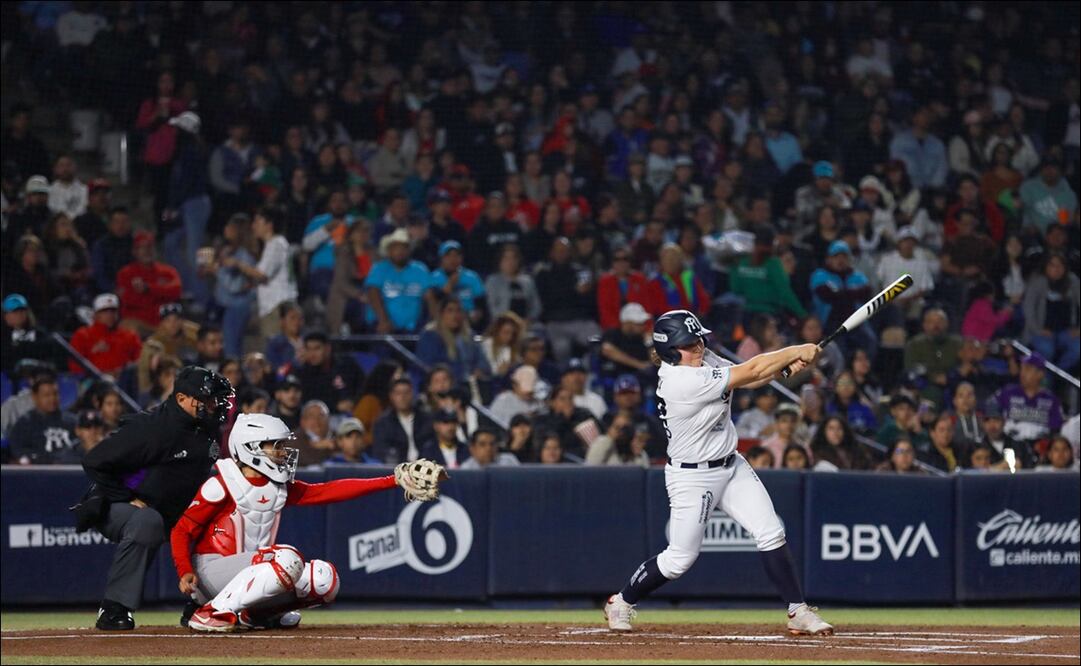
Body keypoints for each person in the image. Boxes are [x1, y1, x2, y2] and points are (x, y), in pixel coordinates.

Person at [603, 310, 833, 636]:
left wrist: (784, 368)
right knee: (678, 560)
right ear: (670, 351)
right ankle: (621, 601)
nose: (698, 347)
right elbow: (752, 368)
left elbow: (750, 377)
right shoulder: (680, 381)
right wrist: (796, 350)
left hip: (731, 463)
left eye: (698, 339)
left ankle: (798, 610)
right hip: (692, 477)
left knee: (771, 531)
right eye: (688, 344)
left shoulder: (702, 359)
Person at [173, 413, 445, 632]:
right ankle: (210, 613)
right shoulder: (221, 484)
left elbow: (330, 490)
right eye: (275, 446)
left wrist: (392, 480)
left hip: (250, 573)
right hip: (210, 573)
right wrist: (184, 569)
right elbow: (182, 530)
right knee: (287, 558)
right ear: (251, 448)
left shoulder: (278, 486)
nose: (282, 452)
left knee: (324, 579)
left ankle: (254, 614)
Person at [71, 366, 233, 630]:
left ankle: (203, 603)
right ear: (181, 399)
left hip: (171, 509)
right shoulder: (153, 427)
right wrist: (124, 495)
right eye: (207, 399)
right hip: (117, 505)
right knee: (148, 521)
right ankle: (114, 609)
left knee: (222, 521)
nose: (213, 405)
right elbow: (94, 461)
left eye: (215, 399)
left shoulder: (206, 428)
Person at [535, 237, 602, 363]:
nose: (561, 253)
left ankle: (591, 374)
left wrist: (582, 293)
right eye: (558, 250)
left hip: (580, 321)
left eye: (565, 250)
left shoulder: (581, 271)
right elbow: (548, 300)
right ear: (552, 252)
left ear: (570, 252)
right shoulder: (543, 273)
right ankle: (565, 378)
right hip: (556, 322)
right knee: (561, 349)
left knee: (596, 341)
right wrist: (573, 291)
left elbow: (588, 300)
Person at [729, 225, 808, 320]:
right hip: (769, 316)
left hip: (747, 315)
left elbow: (736, 289)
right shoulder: (772, 263)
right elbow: (785, 292)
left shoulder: (742, 262)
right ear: (772, 243)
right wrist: (803, 315)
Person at [365, 228, 432, 333]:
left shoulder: (419, 269)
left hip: (414, 328)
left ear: (409, 250)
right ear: (389, 250)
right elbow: (373, 293)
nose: (400, 251)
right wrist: (383, 320)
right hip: (383, 327)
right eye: (396, 247)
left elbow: (429, 296)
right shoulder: (379, 268)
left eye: (404, 247)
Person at [116, 231, 183, 336]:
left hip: (166, 323)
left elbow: (176, 291)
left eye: (149, 246)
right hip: (140, 323)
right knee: (127, 327)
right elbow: (128, 300)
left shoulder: (167, 271)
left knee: (196, 332)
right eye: (142, 247)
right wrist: (161, 295)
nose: (147, 251)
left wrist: (148, 289)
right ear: (135, 251)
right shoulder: (125, 273)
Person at [1022, 253, 1080, 373]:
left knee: (1077, 348)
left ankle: (1060, 375)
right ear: (1046, 267)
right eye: (1052, 265)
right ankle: (1046, 382)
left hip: (1066, 331)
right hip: (1041, 331)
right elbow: (1028, 308)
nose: (1056, 269)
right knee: (1046, 350)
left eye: (1060, 265)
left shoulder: (1073, 281)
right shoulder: (1037, 281)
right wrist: (1038, 330)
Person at [992, 352, 1065, 444]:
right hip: (1009, 446)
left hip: (1040, 449)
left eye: (1028, 369)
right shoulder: (1007, 393)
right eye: (1022, 369)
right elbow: (990, 413)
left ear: (1040, 374)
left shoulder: (1051, 400)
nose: (1022, 373)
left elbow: (1056, 429)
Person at [8, 372, 78, 464]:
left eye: (55, 394)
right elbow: (18, 452)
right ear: (35, 397)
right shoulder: (24, 423)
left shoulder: (72, 421)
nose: (52, 399)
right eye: (47, 395)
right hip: (39, 473)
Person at [417, 298, 490, 384]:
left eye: (458, 311)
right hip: (444, 385)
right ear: (441, 314)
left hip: (471, 384)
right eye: (450, 311)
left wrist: (479, 371)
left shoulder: (469, 335)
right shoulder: (430, 336)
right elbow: (428, 365)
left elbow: (483, 362)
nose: (455, 315)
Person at [69, 293, 143, 376]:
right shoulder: (82, 335)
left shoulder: (130, 335)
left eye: (113, 311)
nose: (110, 315)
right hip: (95, 382)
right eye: (105, 311)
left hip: (124, 381)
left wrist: (124, 371)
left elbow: (140, 361)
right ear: (96, 315)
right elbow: (75, 367)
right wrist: (93, 352)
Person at [371, 378, 434, 465]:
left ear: (412, 394)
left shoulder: (425, 419)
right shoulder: (383, 423)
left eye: (406, 393)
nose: (403, 397)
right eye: (398, 393)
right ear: (391, 396)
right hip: (397, 469)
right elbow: (380, 452)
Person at [429, 240, 486, 325]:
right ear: (441, 259)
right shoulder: (434, 277)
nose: (453, 259)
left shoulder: (471, 277)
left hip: (468, 321)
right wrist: (451, 283)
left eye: (456, 255)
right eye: (448, 256)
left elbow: (481, 303)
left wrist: (476, 315)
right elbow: (434, 303)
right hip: (442, 323)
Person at [484, 244, 542, 322]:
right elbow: (491, 308)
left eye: (514, 258)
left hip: (526, 324)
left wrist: (529, 320)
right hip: (501, 325)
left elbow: (536, 306)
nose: (510, 262)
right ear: (500, 261)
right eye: (506, 258)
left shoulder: (527, 281)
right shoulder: (493, 281)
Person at [599, 303, 652, 382]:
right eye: (639, 323)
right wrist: (639, 365)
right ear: (627, 324)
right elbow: (607, 350)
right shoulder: (613, 334)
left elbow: (654, 363)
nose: (643, 326)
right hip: (614, 378)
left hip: (640, 380)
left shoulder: (643, 338)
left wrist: (649, 343)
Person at [586, 413, 650, 468]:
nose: (621, 432)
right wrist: (609, 440)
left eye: (625, 428)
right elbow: (591, 467)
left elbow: (644, 476)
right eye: (617, 427)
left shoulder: (636, 448)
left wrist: (637, 455)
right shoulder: (602, 443)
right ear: (609, 429)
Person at [760, 403, 806, 469]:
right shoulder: (766, 446)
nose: (789, 425)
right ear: (776, 424)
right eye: (784, 421)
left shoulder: (803, 446)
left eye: (793, 421)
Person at [294, 400, 336, 467]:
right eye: (311, 416)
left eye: (321, 416)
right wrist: (315, 446)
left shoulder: (338, 437)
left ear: (329, 419)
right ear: (303, 421)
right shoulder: (293, 440)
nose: (316, 420)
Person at [264, 301, 304, 372]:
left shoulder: (308, 340)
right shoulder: (274, 345)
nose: (297, 321)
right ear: (282, 321)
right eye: (293, 318)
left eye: (300, 318)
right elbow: (278, 374)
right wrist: (296, 362)